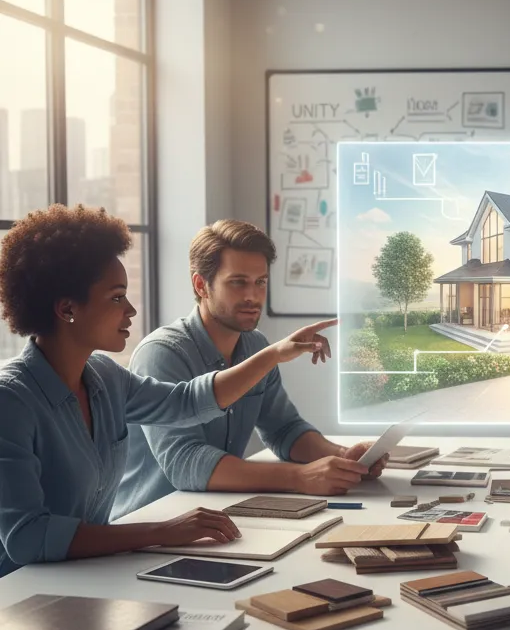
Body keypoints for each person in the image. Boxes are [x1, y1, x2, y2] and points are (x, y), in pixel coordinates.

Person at [0, 205, 340, 577]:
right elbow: (27, 539)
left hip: (90, 574)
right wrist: (164, 532)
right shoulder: (11, 400)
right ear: (67, 309)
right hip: (19, 593)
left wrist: (273, 354)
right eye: (116, 297)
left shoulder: (105, 377)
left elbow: (186, 401)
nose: (130, 310)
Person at [114, 221, 386, 518]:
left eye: (260, 282)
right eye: (238, 282)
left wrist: (344, 459)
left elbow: (285, 430)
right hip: (150, 526)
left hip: (218, 516)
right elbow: (185, 463)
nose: (253, 296)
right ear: (201, 285)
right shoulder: (162, 354)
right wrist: (300, 477)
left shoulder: (256, 346)